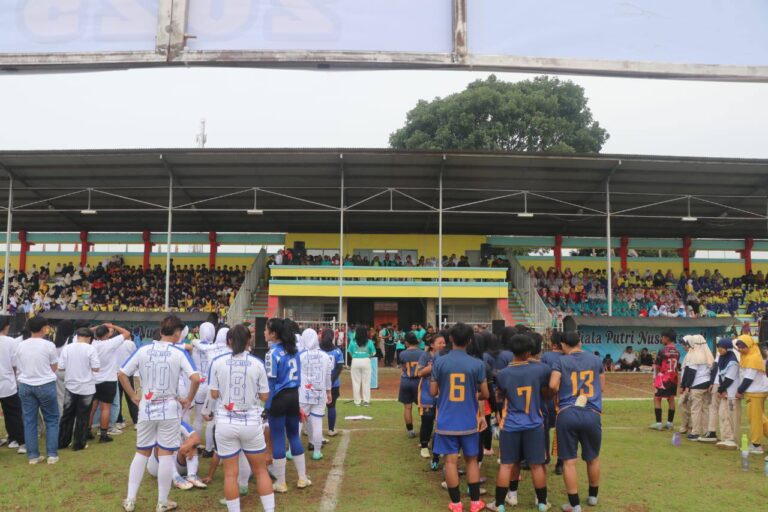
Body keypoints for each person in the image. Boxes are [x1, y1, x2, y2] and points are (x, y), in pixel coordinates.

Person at [118, 315, 201, 512]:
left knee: (141, 452)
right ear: (177, 333)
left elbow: (121, 373)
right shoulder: (179, 352)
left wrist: (133, 396)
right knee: (166, 455)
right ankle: (162, 502)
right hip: (169, 409)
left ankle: (130, 499)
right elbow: (196, 378)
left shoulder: (143, 349)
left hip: (147, 407)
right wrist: (188, 399)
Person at [209, 324, 275, 512]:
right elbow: (265, 396)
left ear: (229, 341)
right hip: (250, 422)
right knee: (261, 471)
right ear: (249, 340)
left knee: (230, 474)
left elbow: (213, 393)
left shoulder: (218, 362)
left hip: (225, 422)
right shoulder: (257, 363)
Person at [430, 322, 489, 512]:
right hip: (469, 420)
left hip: (446, 419)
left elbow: (433, 391)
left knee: (450, 461)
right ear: (470, 340)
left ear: (450, 339)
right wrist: (472, 394)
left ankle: (456, 504)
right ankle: (475, 502)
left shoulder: (440, 362)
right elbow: (485, 393)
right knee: (472, 460)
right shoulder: (477, 364)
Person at [489, 334, 552, 512]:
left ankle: (500, 504)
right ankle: (542, 503)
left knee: (506, 464)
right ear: (528, 352)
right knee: (537, 465)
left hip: (510, 424)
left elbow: (499, 398)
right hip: (534, 423)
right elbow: (549, 388)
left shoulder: (503, 374)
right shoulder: (541, 370)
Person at [549, 330, 604, 512]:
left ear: (563, 345)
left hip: (568, 412)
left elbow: (552, 385)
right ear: (580, 342)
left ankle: (575, 505)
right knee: (593, 458)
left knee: (569, 461)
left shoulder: (561, 361)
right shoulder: (596, 360)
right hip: (591, 412)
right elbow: (602, 386)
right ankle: (593, 497)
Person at [264, 318, 310, 493]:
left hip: (278, 397)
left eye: (267, 330)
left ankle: (281, 482)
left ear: (274, 334)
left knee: (278, 438)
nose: (264, 332)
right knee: (294, 436)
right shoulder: (294, 350)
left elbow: (271, 383)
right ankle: (302, 478)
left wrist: (267, 405)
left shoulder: (272, 353)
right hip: (293, 396)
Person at [14, 316, 60, 464]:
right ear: (43, 328)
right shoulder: (49, 345)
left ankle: (33, 456)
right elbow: (54, 366)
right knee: (51, 419)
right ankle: (52, 454)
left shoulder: (20, 345)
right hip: (45, 384)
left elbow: (18, 366)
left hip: (25, 384)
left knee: (29, 421)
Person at [58, 327, 100, 451]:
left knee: (67, 415)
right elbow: (96, 368)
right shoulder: (91, 349)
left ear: (77, 336)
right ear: (89, 338)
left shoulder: (67, 348)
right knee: (83, 416)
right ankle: (78, 444)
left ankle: (62, 442)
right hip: (87, 387)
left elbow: (61, 367)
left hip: (71, 385)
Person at [89, 322, 132, 443]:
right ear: (107, 334)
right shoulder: (111, 343)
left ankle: (87, 431)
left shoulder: (92, 343)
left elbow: (83, 332)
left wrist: (98, 326)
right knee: (105, 408)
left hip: (93, 380)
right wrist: (112, 326)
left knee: (92, 408)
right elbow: (127, 333)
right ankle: (103, 434)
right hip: (108, 380)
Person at [298, 328, 333, 460]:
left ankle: (292, 450)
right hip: (319, 393)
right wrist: (329, 392)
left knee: (299, 422)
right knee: (317, 423)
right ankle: (317, 451)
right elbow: (328, 377)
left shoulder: (300, 356)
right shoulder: (325, 356)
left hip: (303, 394)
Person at [146, 420, 207, 490]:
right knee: (160, 446)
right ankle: (176, 478)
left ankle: (191, 476)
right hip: (158, 466)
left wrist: (186, 446)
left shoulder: (180, 422)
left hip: (178, 461)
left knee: (192, 443)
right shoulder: (156, 423)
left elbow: (197, 438)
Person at [734, 334, 768, 457]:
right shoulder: (749, 355)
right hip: (755, 391)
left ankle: (756, 445)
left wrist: (739, 391)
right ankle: (756, 443)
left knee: (755, 419)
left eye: (742, 347)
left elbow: (748, 378)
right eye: (738, 347)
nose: (740, 349)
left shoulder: (753, 358)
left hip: (756, 392)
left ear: (749, 345)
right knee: (759, 418)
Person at [679, 335, 715, 441]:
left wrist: (687, 386)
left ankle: (695, 432)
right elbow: (713, 370)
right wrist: (711, 383)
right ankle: (705, 431)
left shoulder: (694, 355)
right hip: (707, 385)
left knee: (695, 410)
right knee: (705, 409)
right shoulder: (708, 354)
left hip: (697, 385)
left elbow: (691, 372)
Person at [417, 331, 446, 465]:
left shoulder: (446, 355)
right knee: (427, 420)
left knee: (441, 421)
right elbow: (420, 372)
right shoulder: (425, 355)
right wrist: (435, 365)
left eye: (444, 343)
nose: (443, 345)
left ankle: (441, 448)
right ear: (432, 345)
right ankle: (424, 446)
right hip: (427, 392)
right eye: (440, 343)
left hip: (443, 393)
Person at [541, 330, 564, 475]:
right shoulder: (568, 357)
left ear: (554, 344)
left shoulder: (546, 356)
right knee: (562, 430)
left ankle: (545, 457)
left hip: (549, 397)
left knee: (544, 428)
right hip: (564, 399)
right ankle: (560, 462)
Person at [0, 316, 24, 454]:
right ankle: (20, 441)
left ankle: (14, 439)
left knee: (12, 413)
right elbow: (15, 364)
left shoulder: (10, 341)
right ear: (6, 327)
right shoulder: (11, 342)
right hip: (7, 382)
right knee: (13, 414)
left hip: (7, 382)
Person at [649, 329, 680, 431]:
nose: (661, 339)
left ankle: (658, 423)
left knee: (657, 398)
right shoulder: (677, 352)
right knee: (671, 399)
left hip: (664, 378)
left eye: (662, 337)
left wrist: (656, 378)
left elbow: (657, 366)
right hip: (674, 378)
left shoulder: (662, 351)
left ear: (667, 338)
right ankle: (670, 424)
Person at [714, 338, 741, 449]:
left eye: (721, 348)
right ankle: (726, 438)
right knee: (722, 415)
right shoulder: (722, 359)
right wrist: (722, 390)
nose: (719, 350)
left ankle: (733, 440)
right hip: (725, 393)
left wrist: (720, 390)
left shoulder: (732, 361)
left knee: (732, 417)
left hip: (732, 394)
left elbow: (729, 379)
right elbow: (720, 376)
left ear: (727, 348)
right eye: (718, 347)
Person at [398, 332, 425, 439]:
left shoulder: (402, 353)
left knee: (407, 407)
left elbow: (403, 368)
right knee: (421, 407)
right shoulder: (422, 353)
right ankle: (424, 429)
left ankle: (410, 431)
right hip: (419, 381)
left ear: (407, 342)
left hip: (406, 381)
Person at [320, 328, 344, 437]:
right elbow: (339, 368)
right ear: (333, 337)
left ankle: (311, 430)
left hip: (318, 383)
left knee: (316, 407)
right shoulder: (337, 351)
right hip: (333, 384)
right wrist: (330, 380)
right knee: (331, 406)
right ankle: (331, 429)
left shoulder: (318, 350)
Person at [349, 325, 376, 407]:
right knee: (366, 382)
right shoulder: (369, 342)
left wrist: (354, 357)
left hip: (355, 361)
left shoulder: (352, 341)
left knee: (356, 382)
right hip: (366, 361)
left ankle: (357, 402)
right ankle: (366, 401)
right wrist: (368, 357)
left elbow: (349, 352)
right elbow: (373, 353)